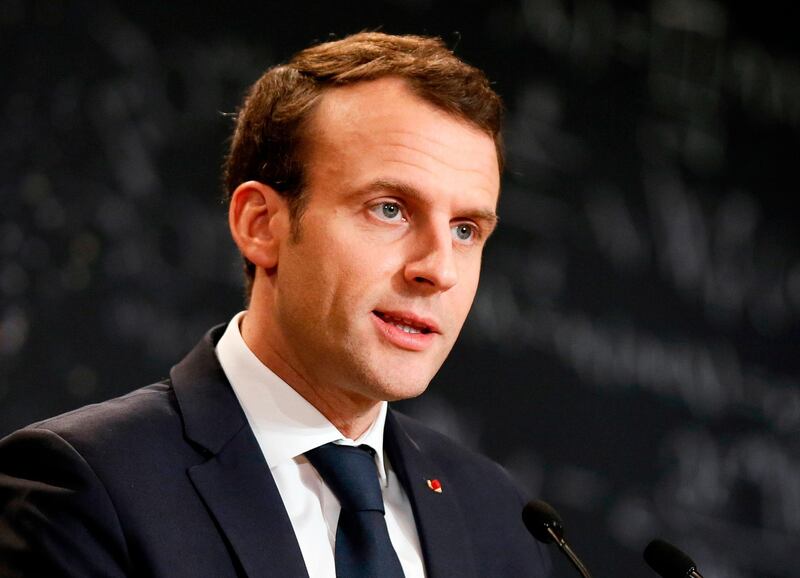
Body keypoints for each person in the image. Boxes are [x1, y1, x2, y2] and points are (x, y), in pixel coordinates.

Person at [0, 32, 551, 577]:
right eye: (389, 209)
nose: (439, 269)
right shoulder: (83, 491)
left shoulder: (501, 519)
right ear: (261, 225)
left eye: (465, 229)